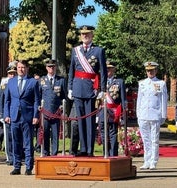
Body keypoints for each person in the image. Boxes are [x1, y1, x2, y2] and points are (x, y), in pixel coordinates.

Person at [68, 25, 107, 157]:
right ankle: (83, 148)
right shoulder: (76, 51)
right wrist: (70, 88)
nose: (85, 36)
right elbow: (71, 71)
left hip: (91, 89)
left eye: (87, 34)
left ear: (92, 35)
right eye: (83, 34)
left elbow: (103, 72)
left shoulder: (98, 51)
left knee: (90, 121)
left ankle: (89, 149)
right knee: (80, 120)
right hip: (78, 88)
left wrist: (102, 89)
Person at [4, 60, 40, 175]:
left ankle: (29, 167)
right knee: (15, 142)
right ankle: (16, 166)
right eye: (19, 67)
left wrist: (35, 116)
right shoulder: (11, 82)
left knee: (28, 142)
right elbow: (7, 100)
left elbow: (36, 101)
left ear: (27, 68)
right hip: (14, 116)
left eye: (23, 67)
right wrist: (6, 115)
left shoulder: (33, 82)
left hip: (27, 116)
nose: (21, 69)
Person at [136, 61, 167, 170]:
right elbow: (139, 99)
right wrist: (138, 114)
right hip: (143, 114)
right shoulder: (142, 83)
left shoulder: (161, 83)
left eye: (152, 70)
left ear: (156, 71)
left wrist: (163, 115)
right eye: (148, 70)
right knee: (145, 139)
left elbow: (163, 100)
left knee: (154, 139)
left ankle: (153, 161)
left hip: (155, 114)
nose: (150, 72)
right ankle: (146, 161)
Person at [98, 61, 126, 156]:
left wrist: (122, 114)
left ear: (114, 69)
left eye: (110, 68)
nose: (108, 70)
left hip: (114, 111)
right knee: (103, 133)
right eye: (106, 69)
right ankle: (105, 153)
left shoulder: (119, 82)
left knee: (113, 133)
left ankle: (113, 154)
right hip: (102, 111)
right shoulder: (100, 81)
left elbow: (123, 99)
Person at [39, 59, 66, 156]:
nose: (51, 68)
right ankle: (46, 152)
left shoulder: (61, 80)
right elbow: (39, 96)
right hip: (45, 112)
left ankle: (54, 153)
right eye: (49, 67)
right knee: (45, 133)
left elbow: (64, 96)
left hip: (56, 112)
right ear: (46, 68)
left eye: (53, 67)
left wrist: (63, 108)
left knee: (55, 134)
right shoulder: (41, 80)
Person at [0, 62, 17, 165]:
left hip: (17, 113)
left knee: (17, 136)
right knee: (8, 137)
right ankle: (9, 157)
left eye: (14, 73)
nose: (12, 75)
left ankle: (17, 156)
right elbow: (1, 99)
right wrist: (1, 114)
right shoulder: (4, 85)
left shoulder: (19, 83)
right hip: (7, 114)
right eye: (10, 73)